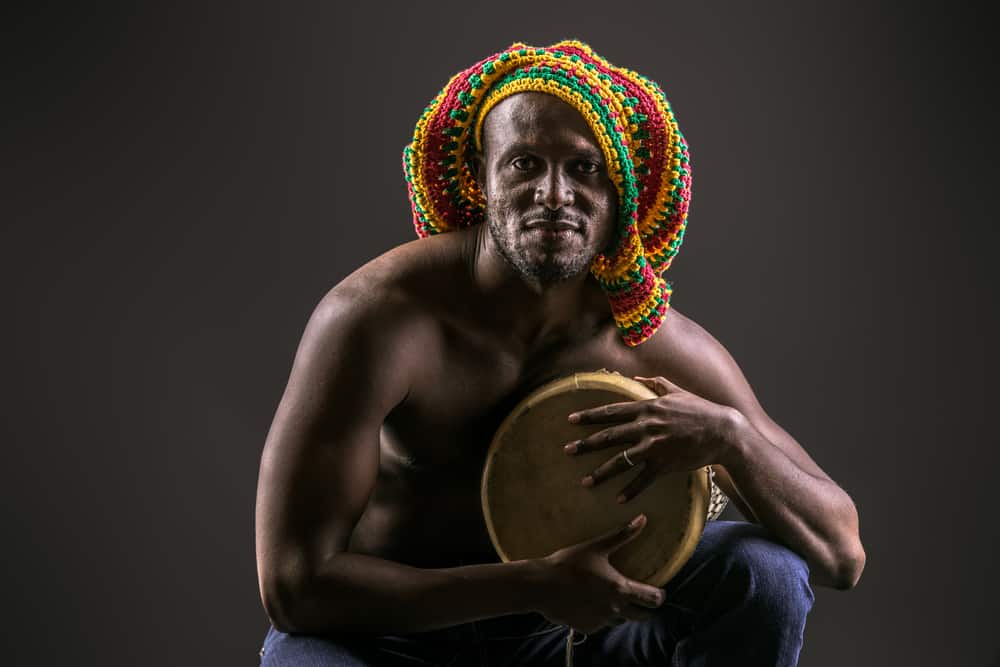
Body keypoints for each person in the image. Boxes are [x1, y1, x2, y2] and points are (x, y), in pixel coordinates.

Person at [254, 40, 865, 666]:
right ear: (482, 178)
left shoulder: (649, 345)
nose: (554, 194)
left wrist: (732, 438)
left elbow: (841, 554)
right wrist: (532, 583)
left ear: (619, 195)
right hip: (378, 640)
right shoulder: (380, 319)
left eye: (584, 168)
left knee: (761, 571)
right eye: (524, 163)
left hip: (561, 645)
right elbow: (293, 587)